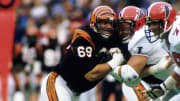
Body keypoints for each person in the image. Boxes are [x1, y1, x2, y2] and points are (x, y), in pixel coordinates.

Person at [39, 5, 124, 101]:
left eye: (111, 23)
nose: (108, 27)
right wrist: (116, 60)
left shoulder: (112, 39)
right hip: (60, 84)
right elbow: (90, 74)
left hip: (77, 92)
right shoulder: (84, 37)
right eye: (104, 22)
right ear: (93, 23)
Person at [111, 6, 175, 101]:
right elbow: (135, 74)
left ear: (138, 24)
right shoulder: (125, 41)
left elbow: (129, 74)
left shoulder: (141, 37)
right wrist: (156, 68)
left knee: (129, 82)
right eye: (120, 26)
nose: (122, 30)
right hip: (164, 82)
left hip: (171, 81)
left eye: (126, 26)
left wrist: (110, 66)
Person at [142, 2, 180, 100]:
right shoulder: (165, 40)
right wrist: (164, 87)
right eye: (149, 24)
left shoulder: (177, 37)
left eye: (154, 23)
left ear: (167, 21)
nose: (151, 28)